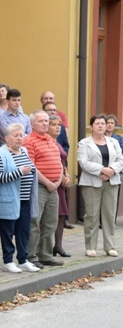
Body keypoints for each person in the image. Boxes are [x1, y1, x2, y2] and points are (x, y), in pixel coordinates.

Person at [0, 123, 41, 273]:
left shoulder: (24, 151)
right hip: (8, 199)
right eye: (16, 135)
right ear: (6, 138)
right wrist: (20, 172)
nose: (20, 138)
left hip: (25, 199)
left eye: (21, 135)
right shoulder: (0, 153)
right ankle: (8, 261)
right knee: (7, 231)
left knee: (23, 230)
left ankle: (23, 259)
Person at [23, 111, 65, 268]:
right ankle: (30, 256)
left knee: (51, 222)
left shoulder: (51, 140)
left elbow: (59, 162)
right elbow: (32, 166)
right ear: (32, 124)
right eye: (41, 121)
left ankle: (46, 255)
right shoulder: (29, 141)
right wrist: (48, 182)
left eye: (47, 121)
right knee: (35, 221)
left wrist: (58, 180)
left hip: (54, 187)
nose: (45, 124)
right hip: (39, 186)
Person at [78, 114, 123, 257]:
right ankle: (90, 246)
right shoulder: (84, 143)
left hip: (111, 181)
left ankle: (110, 246)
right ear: (91, 126)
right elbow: (84, 163)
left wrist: (111, 171)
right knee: (92, 215)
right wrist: (102, 170)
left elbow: (120, 159)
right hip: (92, 183)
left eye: (103, 124)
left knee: (109, 215)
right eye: (97, 123)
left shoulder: (113, 142)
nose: (100, 126)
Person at [47, 116, 72, 258]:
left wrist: (66, 173)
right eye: (53, 124)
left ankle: (58, 245)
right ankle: (45, 246)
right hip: (51, 181)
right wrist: (60, 175)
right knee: (50, 216)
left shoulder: (58, 142)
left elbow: (63, 160)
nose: (57, 127)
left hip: (61, 183)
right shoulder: (47, 141)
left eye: (59, 125)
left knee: (61, 214)